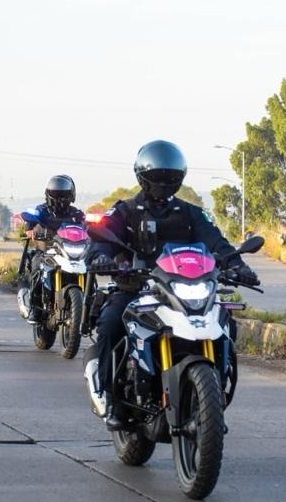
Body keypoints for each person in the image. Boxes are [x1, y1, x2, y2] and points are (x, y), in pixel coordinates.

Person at [86, 139, 259, 430]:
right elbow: (103, 235)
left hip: (183, 288)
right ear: (143, 177)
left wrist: (236, 264)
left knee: (226, 322)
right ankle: (109, 398)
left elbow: (216, 240)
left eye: (170, 179)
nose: (163, 185)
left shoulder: (191, 213)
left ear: (179, 179)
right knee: (110, 322)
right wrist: (101, 258)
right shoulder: (126, 210)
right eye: (157, 179)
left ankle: (213, 397)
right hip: (137, 287)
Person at [16, 174, 85, 322]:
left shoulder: (76, 213)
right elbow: (28, 214)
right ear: (48, 193)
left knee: (90, 268)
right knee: (36, 266)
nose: (59, 197)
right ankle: (35, 308)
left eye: (63, 193)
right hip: (46, 251)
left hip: (69, 252)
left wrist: (96, 230)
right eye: (55, 193)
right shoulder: (42, 210)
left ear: (70, 194)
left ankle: (90, 308)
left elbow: (87, 224)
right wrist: (31, 228)